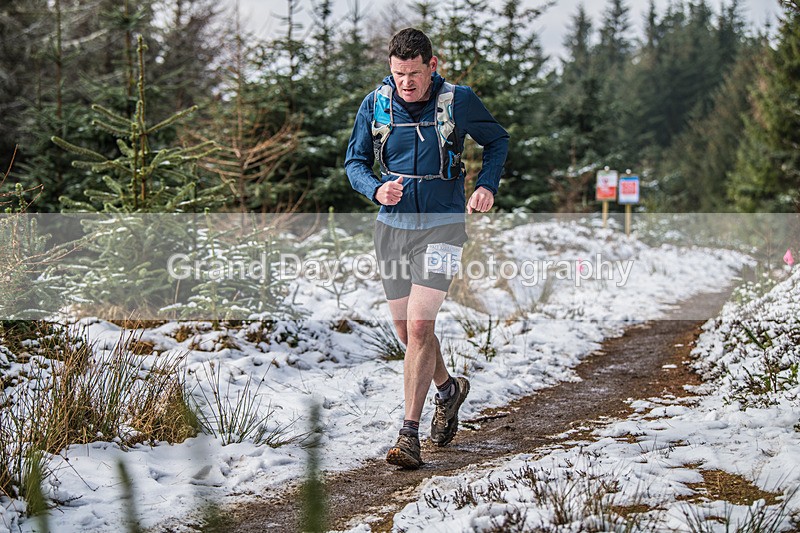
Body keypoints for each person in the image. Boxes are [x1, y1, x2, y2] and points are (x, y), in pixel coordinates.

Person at [345, 28, 509, 469]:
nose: (406, 83)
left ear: (431, 66)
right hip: (391, 227)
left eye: (414, 74)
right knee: (406, 332)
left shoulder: (458, 101)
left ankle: (409, 435)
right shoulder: (375, 104)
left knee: (420, 327)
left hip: (443, 224)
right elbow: (354, 163)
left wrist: (486, 186)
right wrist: (376, 190)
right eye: (398, 74)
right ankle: (448, 389)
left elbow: (498, 140)